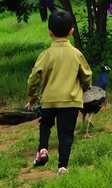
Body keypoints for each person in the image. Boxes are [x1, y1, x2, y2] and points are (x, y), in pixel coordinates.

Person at [26, 10, 92, 175]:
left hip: (49, 100)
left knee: (45, 125)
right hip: (70, 100)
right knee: (66, 133)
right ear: (72, 30)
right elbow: (87, 75)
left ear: (49, 32)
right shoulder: (76, 54)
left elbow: (34, 77)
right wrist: (84, 88)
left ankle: (43, 149)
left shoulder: (46, 55)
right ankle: (63, 166)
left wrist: (32, 97)